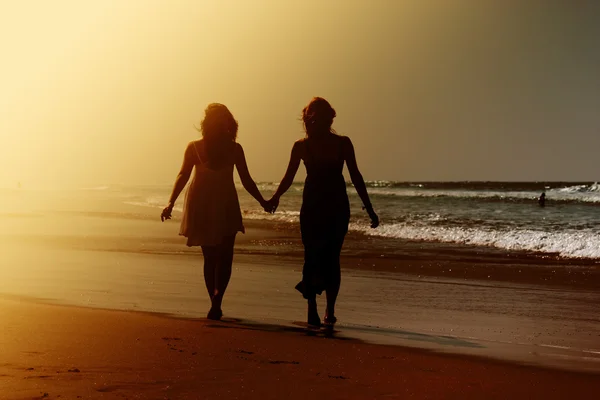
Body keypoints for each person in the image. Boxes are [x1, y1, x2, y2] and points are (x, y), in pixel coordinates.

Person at [268, 97, 379, 329]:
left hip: (333, 206)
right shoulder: (302, 146)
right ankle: (316, 308)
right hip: (317, 206)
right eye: (311, 119)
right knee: (317, 257)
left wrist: (369, 208)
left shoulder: (342, 143)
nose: (313, 123)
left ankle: (327, 308)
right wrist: (276, 197)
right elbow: (288, 176)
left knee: (327, 258)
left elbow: (356, 177)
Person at [161, 103, 269, 320]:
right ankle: (216, 300)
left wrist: (171, 203)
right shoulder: (229, 149)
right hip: (220, 201)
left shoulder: (202, 147)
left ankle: (215, 301)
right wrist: (263, 201)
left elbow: (182, 175)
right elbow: (246, 180)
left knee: (211, 257)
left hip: (206, 201)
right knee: (223, 255)